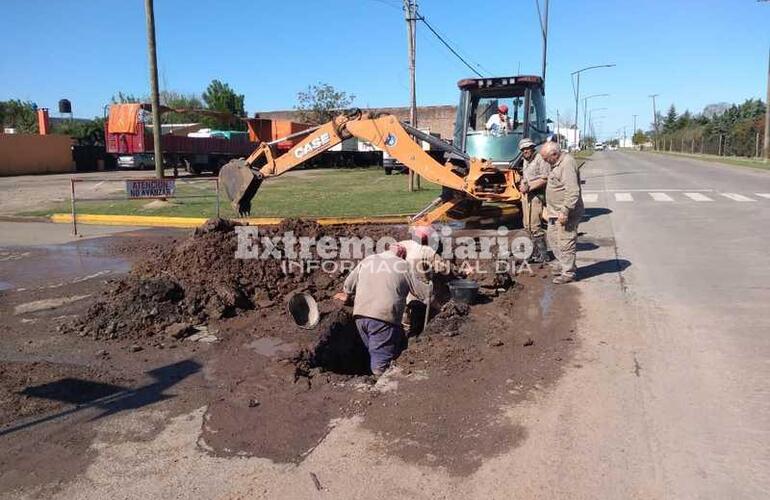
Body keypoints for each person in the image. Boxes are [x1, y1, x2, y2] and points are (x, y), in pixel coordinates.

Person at [334, 243, 429, 376]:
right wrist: (431, 287)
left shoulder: (368, 260)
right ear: (402, 255)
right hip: (384, 319)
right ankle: (380, 386)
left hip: (360, 317)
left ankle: (382, 368)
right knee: (381, 363)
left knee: (377, 349)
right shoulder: (403, 265)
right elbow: (423, 293)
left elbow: (349, 285)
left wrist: (347, 295)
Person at [541, 141, 584, 284]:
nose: (545, 162)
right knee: (553, 238)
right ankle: (564, 264)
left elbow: (572, 190)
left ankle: (569, 273)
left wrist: (565, 210)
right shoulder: (556, 164)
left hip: (566, 212)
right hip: (554, 212)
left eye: (547, 159)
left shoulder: (567, 164)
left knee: (566, 242)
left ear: (554, 154)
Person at [517, 138, 551, 263]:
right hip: (526, 196)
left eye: (527, 148)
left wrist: (529, 187)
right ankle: (533, 253)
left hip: (537, 195)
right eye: (523, 149)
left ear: (532, 148)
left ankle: (543, 255)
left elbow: (545, 179)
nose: (525, 151)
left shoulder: (540, 160)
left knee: (535, 225)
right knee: (527, 225)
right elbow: (525, 177)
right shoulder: (525, 161)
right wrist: (522, 185)